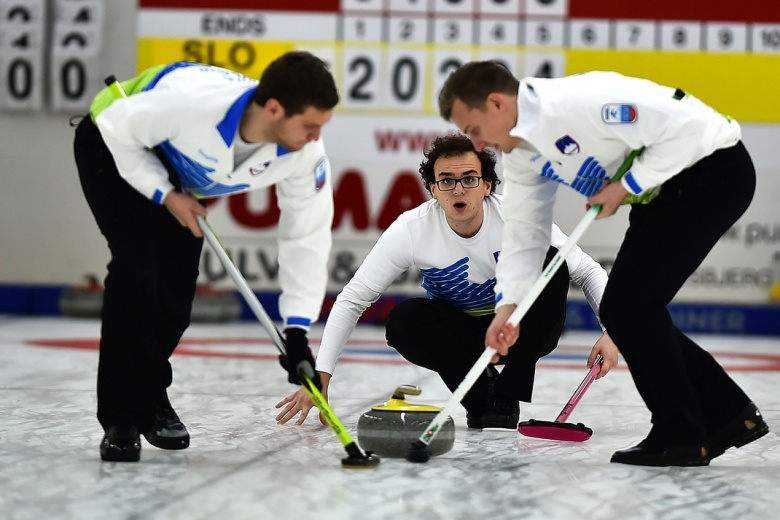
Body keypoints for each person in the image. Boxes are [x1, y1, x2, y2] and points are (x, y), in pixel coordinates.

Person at [438, 61, 769, 466]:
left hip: (712, 171)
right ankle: (728, 415)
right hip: (664, 192)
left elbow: (692, 126)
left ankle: (683, 430)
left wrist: (626, 186)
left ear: (496, 103)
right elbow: (525, 236)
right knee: (624, 308)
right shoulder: (521, 155)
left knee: (631, 307)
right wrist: (507, 308)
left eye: (474, 129)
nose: (477, 144)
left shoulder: (583, 100)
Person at [73, 51, 339, 462]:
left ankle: (148, 395)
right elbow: (116, 128)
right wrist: (166, 196)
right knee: (137, 270)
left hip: (176, 172)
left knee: (175, 297)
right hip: (113, 144)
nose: (316, 137)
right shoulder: (191, 103)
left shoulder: (306, 156)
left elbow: (307, 238)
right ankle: (123, 417)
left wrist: (298, 333)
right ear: (274, 108)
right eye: (309, 125)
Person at [275, 133, 619, 429]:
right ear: (433, 190)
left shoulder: (519, 215)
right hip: (462, 339)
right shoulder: (412, 229)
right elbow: (353, 299)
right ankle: (487, 400)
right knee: (403, 320)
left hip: (523, 331)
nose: (459, 189)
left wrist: (613, 329)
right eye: (447, 181)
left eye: (470, 179)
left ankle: (509, 388)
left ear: (487, 186)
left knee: (551, 263)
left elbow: (586, 270)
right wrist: (321, 374)